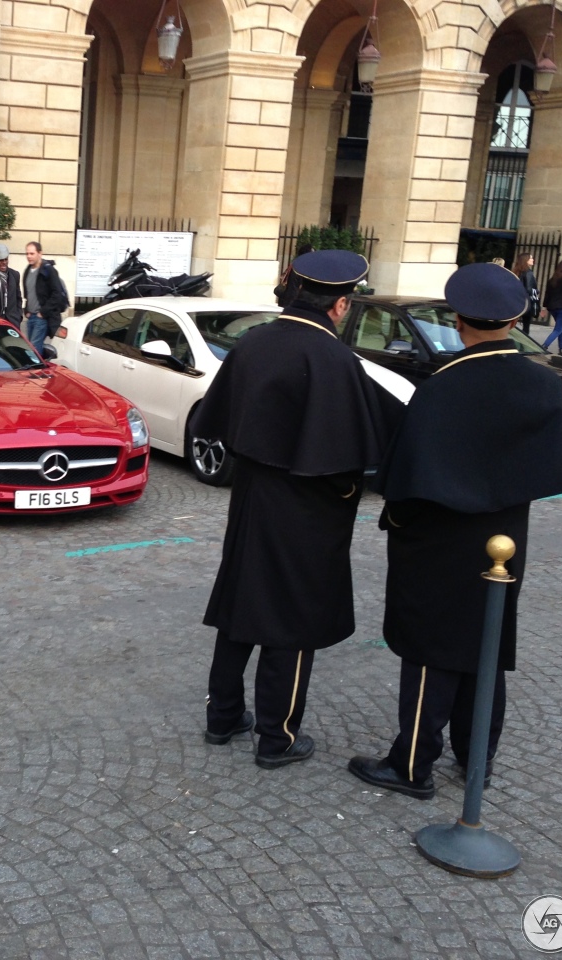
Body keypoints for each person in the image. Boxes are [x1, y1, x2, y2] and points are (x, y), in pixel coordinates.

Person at [348, 263, 562, 799]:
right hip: (507, 537)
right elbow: (559, 465)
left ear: (458, 321)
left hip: (440, 541)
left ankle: (412, 763)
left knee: (429, 647)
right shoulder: (542, 381)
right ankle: (477, 755)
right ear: (516, 318)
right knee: (488, 640)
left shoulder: (444, 385)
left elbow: (405, 480)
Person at [192, 251, 404, 768]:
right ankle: (277, 735)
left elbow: (214, 420)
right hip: (305, 506)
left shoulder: (254, 341)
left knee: (240, 603)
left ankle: (223, 715)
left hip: (251, 496)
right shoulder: (331, 358)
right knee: (292, 617)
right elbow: (349, 448)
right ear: (339, 305)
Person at [22, 242, 70, 355]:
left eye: (32, 253)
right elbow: (28, 294)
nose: (29, 256)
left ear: (40, 253)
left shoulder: (48, 270)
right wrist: (26, 311)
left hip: (42, 317)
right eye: (27, 253)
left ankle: (36, 371)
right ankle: (45, 363)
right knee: (33, 348)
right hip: (31, 317)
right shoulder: (27, 270)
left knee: (33, 349)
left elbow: (56, 293)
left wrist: (43, 313)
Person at [510, 252, 542, 338]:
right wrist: (536, 292)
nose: (533, 260)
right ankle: (523, 345)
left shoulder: (517, 271)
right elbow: (529, 289)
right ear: (526, 260)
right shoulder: (528, 273)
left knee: (512, 324)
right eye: (531, 258)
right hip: (526, 302)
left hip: (517, 301)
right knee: (526, 327)